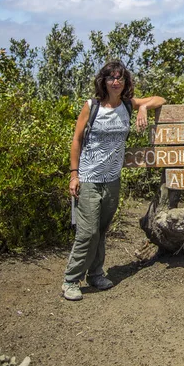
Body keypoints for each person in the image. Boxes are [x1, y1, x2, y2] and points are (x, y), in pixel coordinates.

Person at [62, 60, 166, 301]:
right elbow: (77, 139)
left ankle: (96, 274)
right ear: (104, 81)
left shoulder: (128, 105)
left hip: (112, 179)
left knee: (101, 229)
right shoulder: (92, 106)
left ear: (125, 82)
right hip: (89, 178)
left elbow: (160, 99)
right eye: (111, 78)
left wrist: (143, 108)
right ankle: (70, 279)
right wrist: (74, 175)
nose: (116, 82)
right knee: (87, 232)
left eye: (120, 78)